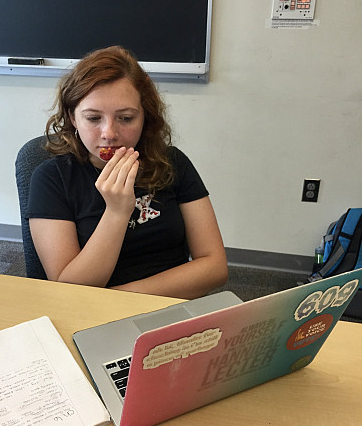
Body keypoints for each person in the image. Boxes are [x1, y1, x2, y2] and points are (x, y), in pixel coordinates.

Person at [27, 46, 228, 299]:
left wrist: (125, 298)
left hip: (167, 304)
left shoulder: (172, 163)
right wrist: (117, 211)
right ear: (73, 118)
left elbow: (215, 267)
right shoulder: (51, 178)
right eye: (93, 118)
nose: (109, 133)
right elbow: (70, 290)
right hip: (92, 312)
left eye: (125, 118)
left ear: (145, 118)